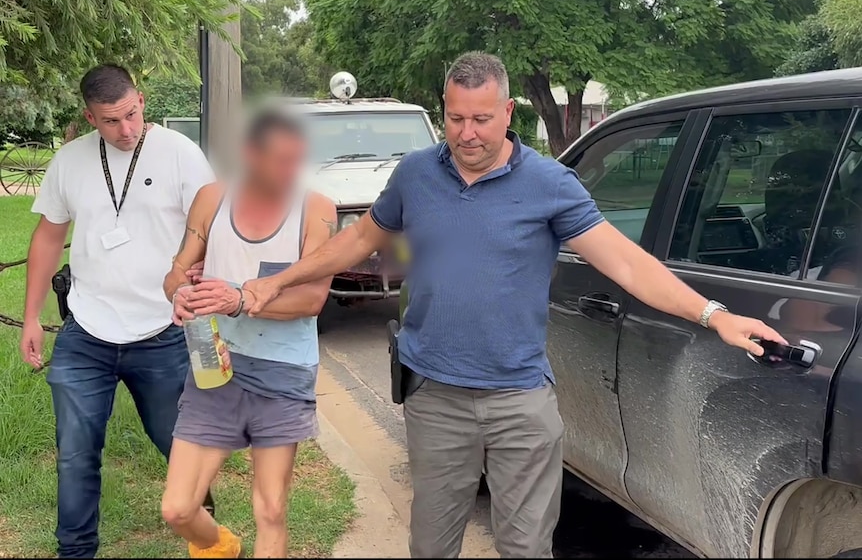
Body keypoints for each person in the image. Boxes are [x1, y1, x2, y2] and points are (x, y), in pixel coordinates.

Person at [241, 51, 787, 558]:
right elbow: (358, 240)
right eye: (455, 118)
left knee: (525, 549)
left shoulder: (550, 183)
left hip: (519, 401)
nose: (467, 133)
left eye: (481, 119)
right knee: (430, 546)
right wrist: (279, 281)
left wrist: (715, 315)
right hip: (435, 395)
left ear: (506, 111)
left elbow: (625, 262)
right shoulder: (416, 174)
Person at [20, 63, 217, 558]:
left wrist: (201, 281)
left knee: (178, 443)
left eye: (131, 115)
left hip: (163, 330)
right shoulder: (69, 161)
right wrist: (29, 318)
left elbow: (211, 225)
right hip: (87, 330)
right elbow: (48, 236)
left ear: (142, 100)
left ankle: (204, 530)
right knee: (75, 454)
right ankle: (76, 551)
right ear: (90, 118)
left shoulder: (180, 154)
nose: (125, 130)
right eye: (111, 121)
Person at [160, 107, 335, 559]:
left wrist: (236, 299)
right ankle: (221, 547)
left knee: (271, 509)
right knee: (178, 508)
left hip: (282, 374)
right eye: (278, 160)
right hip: (214, 364)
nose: (288, 172)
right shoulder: (212, 199)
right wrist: (180, 294)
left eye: (296, 160)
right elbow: (176, 274)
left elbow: (311, 300)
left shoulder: (316, 209)